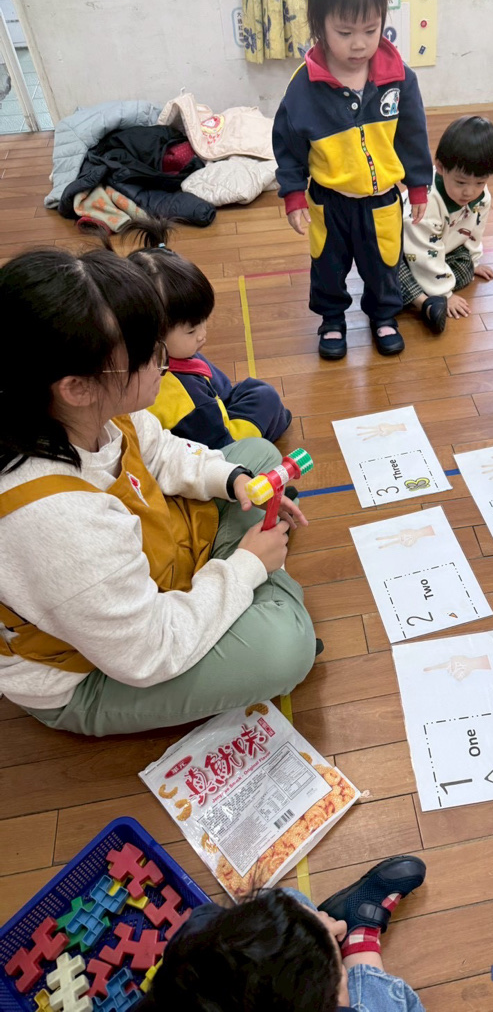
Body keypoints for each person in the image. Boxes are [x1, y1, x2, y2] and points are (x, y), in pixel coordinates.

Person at [0, 246, 318, 736]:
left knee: (254, 457)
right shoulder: (56, 519)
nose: (164, 364)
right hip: (90, 672)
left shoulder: (89, 410)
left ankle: (251, 581)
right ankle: (263, 585)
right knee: (285, 650)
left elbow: (162, 450)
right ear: (77, 387)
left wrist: (229, 479)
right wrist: (249, 565)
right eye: (148, 355)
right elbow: (149, 651)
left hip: (151, 568)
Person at [272, 0, 432, 360]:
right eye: (344, 33)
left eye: (370, 30)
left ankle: (384, 316)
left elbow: (413, 134)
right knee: (327, 266)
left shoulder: (399, 78)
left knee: (383, 265)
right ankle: (331, 319)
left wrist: (418, 185)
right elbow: (288, 143)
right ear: (320, 25)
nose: (359, 44)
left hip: (381, 201)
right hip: (330, 202)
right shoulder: (304, 87)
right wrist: (293, 193)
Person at [138, 856, 428, 1012]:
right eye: (338, 978)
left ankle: (324, 935)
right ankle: (358, 946)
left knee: (289, 901)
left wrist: (309, 928)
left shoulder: (191, 952)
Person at [121, 220, 291, 449]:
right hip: (217, 443)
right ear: (151, 333)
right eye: (191, 330)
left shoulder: (164, 356)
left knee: (255, 391)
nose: (203, 334)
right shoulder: (182, 396)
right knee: (266, 398)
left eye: (204, 322)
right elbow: (220, 449)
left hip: (210, 408)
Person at [399, 116, 493, 335]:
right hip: (406, 252)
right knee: (388, 272)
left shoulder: (481, 197)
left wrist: (474, 261)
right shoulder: (426, 204)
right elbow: (422, 252)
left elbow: (475, 230)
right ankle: (423, 301)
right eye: (461, 182)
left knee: (465, 270)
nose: (469, 192)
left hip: (442, 249)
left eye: (480, 182)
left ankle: (420, 295)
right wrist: (446, 294)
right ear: (440, 167)